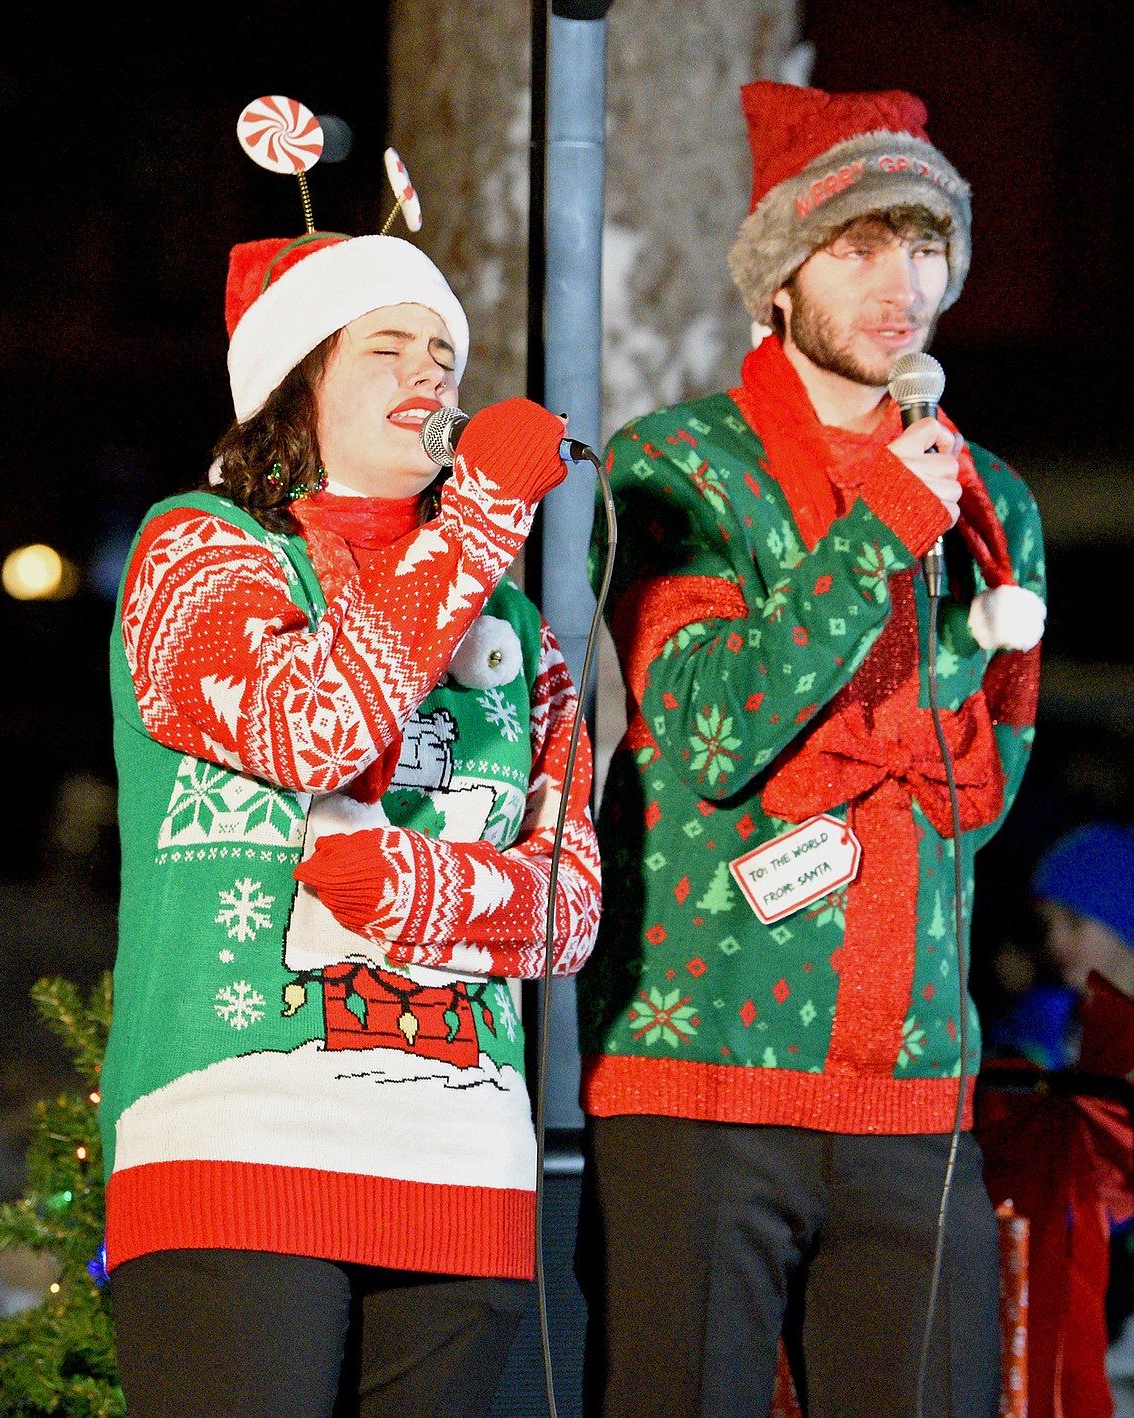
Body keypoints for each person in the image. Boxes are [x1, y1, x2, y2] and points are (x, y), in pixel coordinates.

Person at [576, 80, 1046, 1418]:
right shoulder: (676, 467)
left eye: (926, 244)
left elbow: (983, 784)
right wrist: (874, 530)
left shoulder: (992, 495)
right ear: (779, 273)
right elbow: (711, 727)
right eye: (856, 244)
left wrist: (851, 739)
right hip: (703, 1060)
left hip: (914, 1087)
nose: (901, 280)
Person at [101, 228, 602, 1416]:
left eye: (445, 352)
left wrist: (425, 890)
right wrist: (475, 522)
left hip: (459, 1160)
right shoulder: (204, 549)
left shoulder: (519, 630)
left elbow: (571, 909)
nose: (432, 377)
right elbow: (308, 724)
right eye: (388, 346)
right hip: (233, 1136)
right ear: (295, 382)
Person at [978, 822, 1134, 1418]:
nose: (1057, 941)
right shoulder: (1042, 1023)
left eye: (1075, 922)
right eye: (1048, 925)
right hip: (1053, 1277)